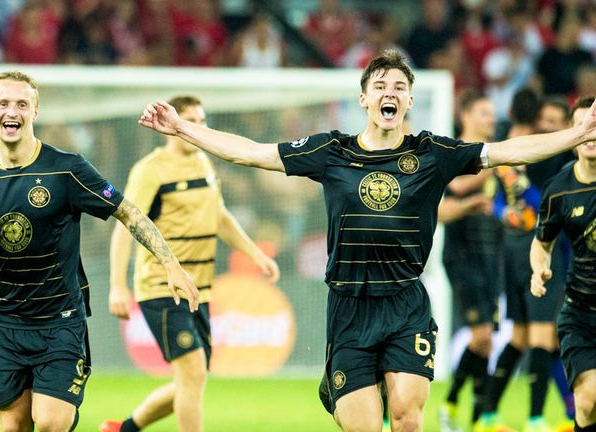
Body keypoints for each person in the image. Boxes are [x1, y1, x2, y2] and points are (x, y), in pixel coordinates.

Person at [137, 49, 596, 431]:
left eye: (398, 87)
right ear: (363, 99)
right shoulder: (331, 151)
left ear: (410, 101)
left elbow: (504, 152)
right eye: (380, 86)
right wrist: (182, 128)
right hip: (350, 307)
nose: (389, 93)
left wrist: (577, 133)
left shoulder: (432, 153)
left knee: (407, 417)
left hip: (405, 305)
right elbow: (254, 153)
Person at [0, 71, 199, 432]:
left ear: (35, 111)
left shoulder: (67, 168)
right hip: (2, 326)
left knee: (49, 423)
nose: (11, 111)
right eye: (3, 103)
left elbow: (128, 211)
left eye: (21, 103)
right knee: (14, 427)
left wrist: (170, 264)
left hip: (59, 323)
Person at [99, 96, 279, 432]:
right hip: (161, 286)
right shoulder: (150, 170)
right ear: (170, 125)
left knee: (192, 378)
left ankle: (123, 429)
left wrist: (255, 253)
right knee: (193, 372)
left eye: (202, 119)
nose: (200, 126)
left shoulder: (204, 163)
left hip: (201, 288)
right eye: (191, 119)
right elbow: (127, 225)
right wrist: (117, 286)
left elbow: (220, 215)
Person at [477, 96, 573, 432]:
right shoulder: (554, 162)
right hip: (538, 253)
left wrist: (505, 213)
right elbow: (533, 202)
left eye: (554, 122)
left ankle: (485, 415)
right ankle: (535, 419)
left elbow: (502, 202)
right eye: (544, 121)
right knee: (543, 337)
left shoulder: (512, 149)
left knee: (519, 337)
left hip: (513, 250)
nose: (547, 128)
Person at [531, 96, 596, 432]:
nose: (591, 133)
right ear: (573, 135)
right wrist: (538, 268)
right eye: (584, 126)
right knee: (588, 401)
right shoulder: (558, 189)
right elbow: (541, 243)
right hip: (581, 313)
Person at [439, 91, 503, 432]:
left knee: (487, 341)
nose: (491, 119)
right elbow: (445, 207)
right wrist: (479, 192)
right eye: (484, 112)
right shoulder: (452, 154)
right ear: (465, 115)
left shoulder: (496, 159)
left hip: (492, 255)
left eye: (493, 114)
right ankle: (453, 408)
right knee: (480, 337)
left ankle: (475, 418)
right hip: (462, 257)